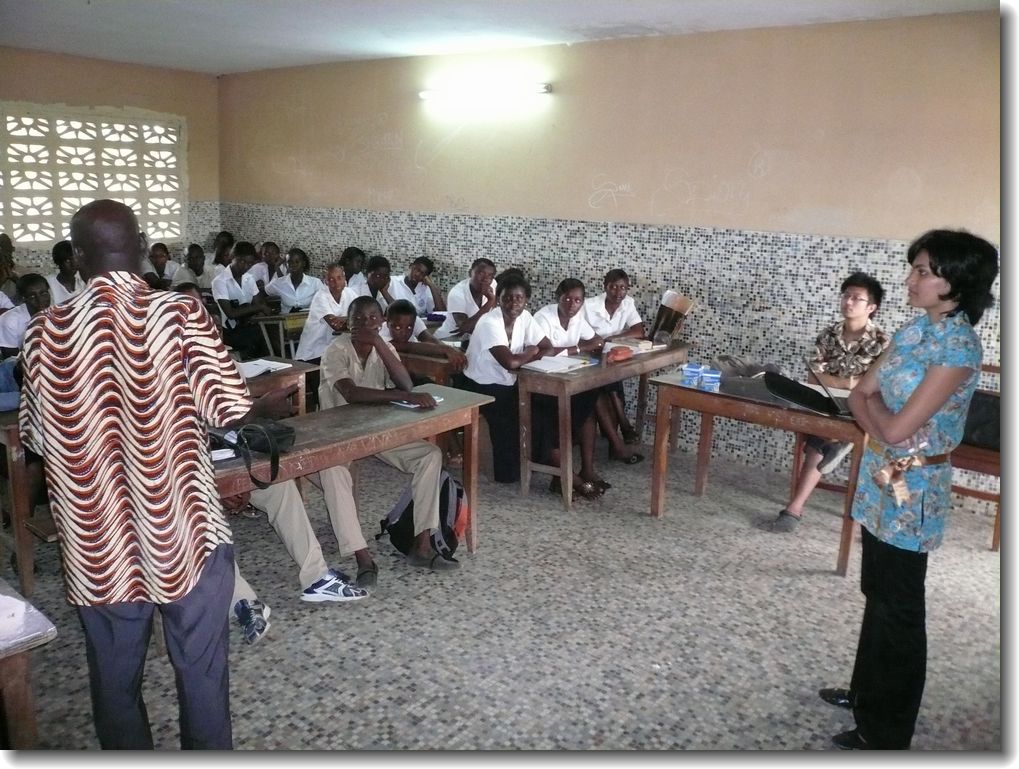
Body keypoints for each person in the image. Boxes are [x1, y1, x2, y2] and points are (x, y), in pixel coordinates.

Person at [18, 199, 294, 749]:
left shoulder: (42, 333)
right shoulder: (180, 314)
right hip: (185, 535)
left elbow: (37, 439)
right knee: (202, 677)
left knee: (115, 687)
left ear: (76, 258)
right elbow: (229, 408)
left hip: (98, 547)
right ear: (143, 248)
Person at [820, 229, 998, 751]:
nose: (910, 280)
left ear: (956, 282)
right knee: (876, 591)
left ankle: (886, 731)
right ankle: (865, 694)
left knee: (899, 605)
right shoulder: (915, 329)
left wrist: (881, 421)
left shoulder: (958, 346)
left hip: (913, 489)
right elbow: (861, 395)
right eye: (914, 268)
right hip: (882, 475)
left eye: (923, 271)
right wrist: (883, 422)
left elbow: (893, 425)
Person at [319, 296, 459, 572]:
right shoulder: (336, 350)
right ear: (348, 323)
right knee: (334, 472)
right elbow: (351, 393)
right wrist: (401, 396)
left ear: (382, 321)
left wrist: (380, 343)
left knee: (429, 455)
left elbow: (406, 384)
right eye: (358, 319)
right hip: (337, 434)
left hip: (374, 429)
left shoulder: (383, 347)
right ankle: (362, 556)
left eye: (373, 318)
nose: (366, 324)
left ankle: (422, 544)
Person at [762, 272, 890, 533]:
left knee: (819, 443)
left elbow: (878, 387)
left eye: (856, 298)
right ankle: (836, 443)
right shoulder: (828, 335)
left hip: (861, 410)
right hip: (824, 403)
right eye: (846, 296)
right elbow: (814, 376)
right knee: (813, 424)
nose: (848, 302)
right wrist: (852, 383)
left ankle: (794, 509)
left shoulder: (882, 342)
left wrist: (847, 385)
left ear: (871, 307)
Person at [460, 272, 550, 484]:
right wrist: (530, 352)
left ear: (526, 300)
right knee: (509, 416)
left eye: (519, 298)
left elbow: (547, 346)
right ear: (498, 299)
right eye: (507, 298)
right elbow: (509, 362)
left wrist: (523, 357)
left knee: (542, 409)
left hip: (508, 382)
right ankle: (507, 473)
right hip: (480, 385)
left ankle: (536, 463)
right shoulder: (489, 322)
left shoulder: (525, 317)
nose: (513, 303)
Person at [531, 278, 617, 499]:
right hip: (540, 384)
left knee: (589, 401)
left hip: (566, 379)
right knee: (555, 416)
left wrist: (592, 346)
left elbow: (596, 340)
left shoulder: (578, 318)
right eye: (567, 299)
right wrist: (579, 348)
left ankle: (587, 469)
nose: (572, 304)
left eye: (577, 300)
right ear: (557, 297)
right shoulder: (543, 317)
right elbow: (542, 352)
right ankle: (566, 477)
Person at [585, 268, 645, 446]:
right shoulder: (589, 306)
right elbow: (581, 335)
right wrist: (599, 343)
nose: (618, 292)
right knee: (611, 382)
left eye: (623, 288)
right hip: (587, 356)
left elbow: (639, 331)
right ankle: (623, 424)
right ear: (605, 286)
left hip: (609, 355)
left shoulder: (628, 303)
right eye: (613, 287)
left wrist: (612, 338)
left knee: (612, 379)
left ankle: (620, 430)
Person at [210, 240, 275, 360]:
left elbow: (258, 303)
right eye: (241, 261)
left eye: (249, 263)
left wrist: (257, 308)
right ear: (232, 257)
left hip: (249, 326)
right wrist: (258, 308)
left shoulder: (249, 278)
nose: (245, 266)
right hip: (231, 332)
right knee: (262, 339)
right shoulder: (220, 281)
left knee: (270, 336)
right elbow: (230, 313)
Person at [435, 258, 497, 340]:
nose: (485, 279)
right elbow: (464, 328)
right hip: (448, 339)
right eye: (481, 273)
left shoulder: (493, 284)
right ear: (470, 273)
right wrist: (490, 301)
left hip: (474, 339)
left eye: (490, 275)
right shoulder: (457, 293)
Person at [0, 274, 51, 358]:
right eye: (32, 296)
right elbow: (11, 358)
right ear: (23, 298)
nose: (40, 300)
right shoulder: (9, 321)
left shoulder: (54, 313)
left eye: (44, 293)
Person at [264, 247, 322, 313]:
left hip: (307, 318)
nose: (293, 265)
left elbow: (325, 302)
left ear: (303, 263)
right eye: (289, 262)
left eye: (297, 262)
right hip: (285, 319)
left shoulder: (315, 283)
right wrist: (263, 307)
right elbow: (261, 292)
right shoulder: (279, 283)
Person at [46, 239, 87, 305]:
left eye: (74, 259)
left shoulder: (83, 280)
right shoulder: (49, 284)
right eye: (67, 261)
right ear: (58, 262)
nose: (73, 264)